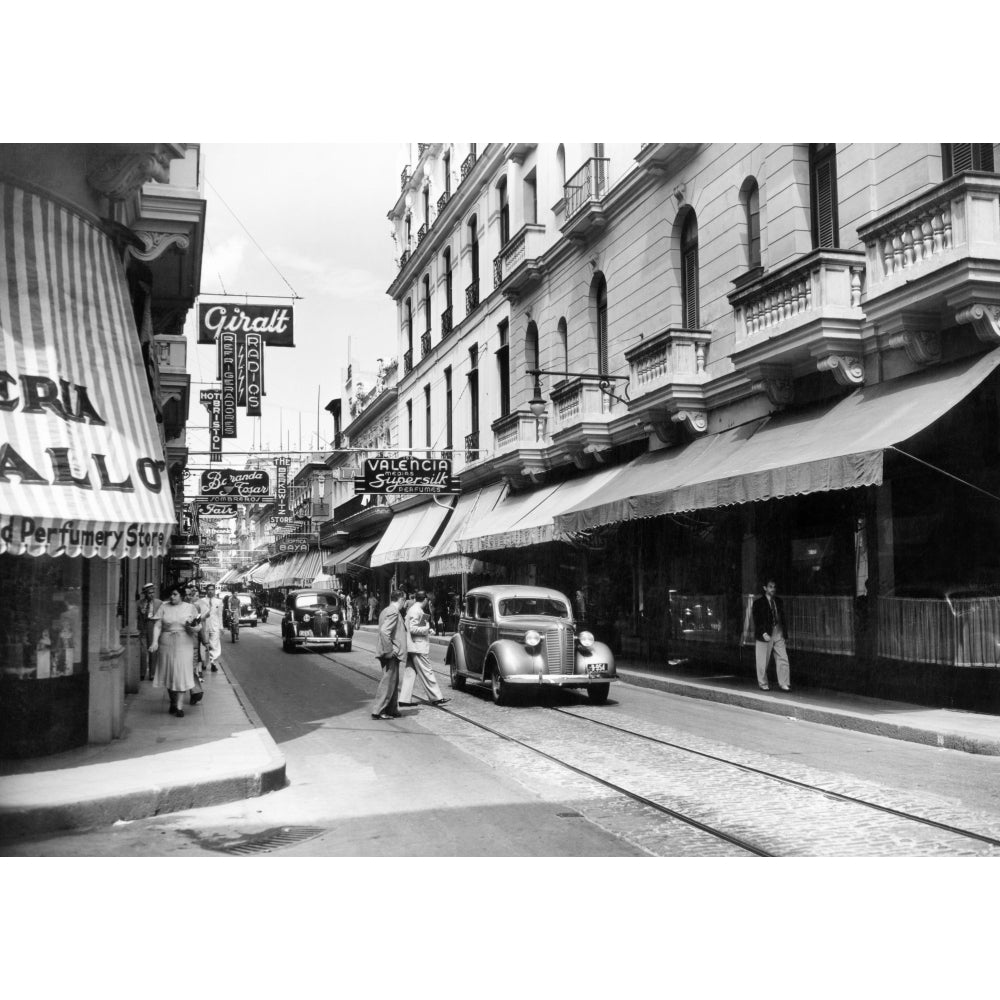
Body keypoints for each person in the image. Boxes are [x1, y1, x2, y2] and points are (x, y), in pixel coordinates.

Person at [149, 585, 203, 717]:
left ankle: (179, 706)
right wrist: (155, 641)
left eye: (175, 594)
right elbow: (158, 625)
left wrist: (193, 627)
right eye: (171, 594)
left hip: (184, 643)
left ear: (181, 595)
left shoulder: (190, 607)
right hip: (166, 643)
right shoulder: (163, 606)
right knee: (170, 672)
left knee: (182, 673)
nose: (172, 597)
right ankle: (173, 702)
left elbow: (198, 625)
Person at [399, 590, 450, 707]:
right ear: (425, 600)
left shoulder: (413, 609)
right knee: (427, 672)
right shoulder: (416, 610)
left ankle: (404, 699)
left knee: (410, 673)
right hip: (418, 647)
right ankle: (437, 697)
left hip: (414, 646)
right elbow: (413, 628)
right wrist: (428, 630)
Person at [371, 589, 407, 720]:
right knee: (388, 681)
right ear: (401, 599)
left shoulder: (385, 610)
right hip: (390, 652)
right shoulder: (393, 611)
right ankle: (378, 710)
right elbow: (385, 631)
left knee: (393, 681)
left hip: (389, 651)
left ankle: (391, 709)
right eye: (404, 600)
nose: (405, 603)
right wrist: (389, 650)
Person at [752, 578, 791, 692]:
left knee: (783, 658)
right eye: (770, 587)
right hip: (765, 634)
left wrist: (785, 634)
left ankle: (784, 683)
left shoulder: (778, 601)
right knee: (762, 661)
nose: (773, 589)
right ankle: (763, 683)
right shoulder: (758, 603)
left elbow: (782, 618)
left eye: (774, 587)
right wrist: (763, 632)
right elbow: (757, 619)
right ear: (765, 588)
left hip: (778, 632)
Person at [136, 582, 162, 681]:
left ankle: (152, 673)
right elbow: (136, 616)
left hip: (153, 625)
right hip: (142, 626)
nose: (151, 594)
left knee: (153, 650)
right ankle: (142, 673)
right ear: (145, 593)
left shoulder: (159, 603)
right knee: (142, 651)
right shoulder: (139, 603)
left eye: (153, 592)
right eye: (149, 593)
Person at [197, 583, 224, 673]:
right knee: (204, 645)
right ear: (206, 590)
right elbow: (199, 615)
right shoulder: (201, 601)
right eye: (209, 589)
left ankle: (213, 663)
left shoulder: (219, 602)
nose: (210, 591)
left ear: (214, 590)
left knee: (214, 645)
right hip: (204, 626)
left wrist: (221, 627)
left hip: (215, 626)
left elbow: (220, 615)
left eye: (212, 589)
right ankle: (204, 663)